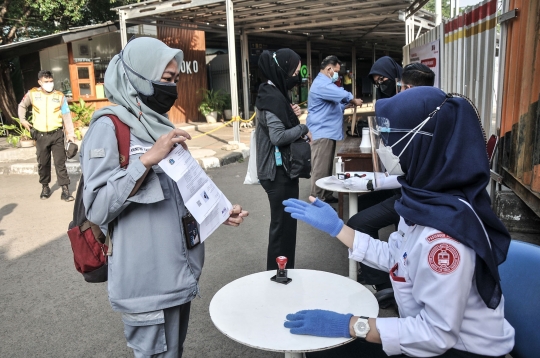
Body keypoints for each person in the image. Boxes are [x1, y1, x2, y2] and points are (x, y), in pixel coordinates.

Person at [282, 87, 515, 357]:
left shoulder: (445, 239)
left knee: (325, 350)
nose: (384, 147)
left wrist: (351, 325)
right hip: (429, 336)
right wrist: (338, 228)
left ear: (423, 144)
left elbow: (436, 334)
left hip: (462, 350)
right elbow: (397, 255)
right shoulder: (425, 200)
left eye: (391, 138)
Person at [80, 37, 248, 358]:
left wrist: (218, 210)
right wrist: (145, 161)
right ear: (139, 76)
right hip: (146, 283)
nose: (171, 88)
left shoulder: (156, 123)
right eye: (165, 79)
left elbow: (180, 190)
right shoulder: (109, 127)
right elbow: (98, 206)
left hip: (177, 275)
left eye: (175, 80)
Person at [348, 62, 435, 296]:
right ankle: (386, 277)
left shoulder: (420, 123)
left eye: (399, 87)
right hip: (412, 191)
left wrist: (376, 180)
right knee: (367, 207)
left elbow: (406, 170)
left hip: (417, 196)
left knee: (358, 223)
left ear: (405, 88)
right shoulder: (436, 115)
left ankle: (383, 286)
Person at [255, 49, 308, 270]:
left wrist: (292, 114)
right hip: (277, 173)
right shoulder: (272, 98)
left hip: (281, 171)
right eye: (294, 72)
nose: (296, 77)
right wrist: (303, 127)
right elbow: (278, 136)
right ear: (282, 70)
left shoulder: (273, 94)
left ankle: (283, 271)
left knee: (285, 225)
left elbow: (280, 124)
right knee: (282, 227)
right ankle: (277, 274)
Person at [307, 55, 363, 203]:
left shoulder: (325, 84)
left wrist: (345, 105)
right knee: (320, 168)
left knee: (326, 166)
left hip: (327, 131)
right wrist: (352, 99)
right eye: (336, 71)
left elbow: (332, 104)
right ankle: (317, 200)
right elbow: (340, 93)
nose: (337, 74)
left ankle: (325, 194)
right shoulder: (322, 83)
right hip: (321, 132)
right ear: (329, 69)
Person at [18, 70, 76, 201]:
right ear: (40, 82)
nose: (49, 84)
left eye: (51, 81)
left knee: (60, 163)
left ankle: (65, 190)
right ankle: (45, 187)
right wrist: (22, 120)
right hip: (40, 135)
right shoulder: (32, 94)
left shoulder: (60, 96)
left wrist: (70, 134)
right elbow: (22, 106)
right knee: (43, 163)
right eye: (46, 82)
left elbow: (66, 116)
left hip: (57, 134)